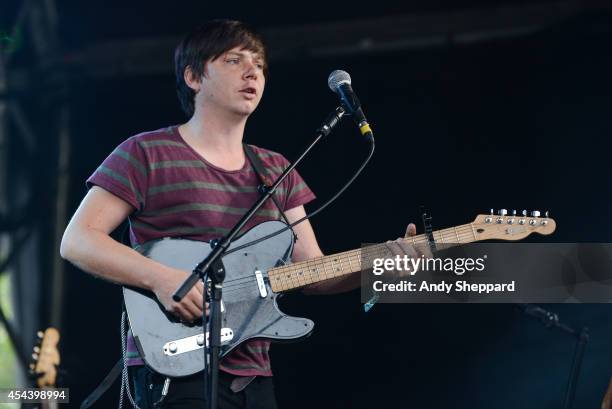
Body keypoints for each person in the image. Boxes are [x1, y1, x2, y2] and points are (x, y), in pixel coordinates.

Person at [60, 19, 417, 409]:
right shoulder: (145, 153)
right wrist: (162, 279)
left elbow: (312, 271)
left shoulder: (276, 168)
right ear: (194, 77)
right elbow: (79, 240)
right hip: (175, 368)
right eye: (234, 60)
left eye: (259, 65)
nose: (253, 73)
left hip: (253, 377)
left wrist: (379, 266)